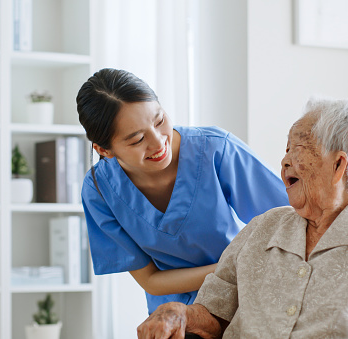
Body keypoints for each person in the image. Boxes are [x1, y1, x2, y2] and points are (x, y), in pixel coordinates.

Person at [137, 96, 348, 338]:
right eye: (286, 149)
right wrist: (180, 313)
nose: (285, 162)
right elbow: (213, 315)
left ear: (339, 165)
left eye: (298, 149)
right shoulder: (262, 228)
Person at [75, 68, 289, 315]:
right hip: (175, 314)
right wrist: (235, 267)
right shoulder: (99, 191)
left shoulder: (216, 148)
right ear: (104, 150)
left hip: (245, 296)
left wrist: (244, 270)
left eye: (159, 120)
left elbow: (290, 216)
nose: (158, 142)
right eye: (136, 140)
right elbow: (151, 281)